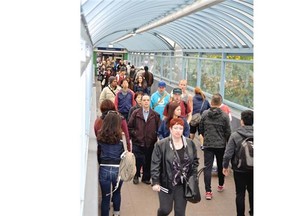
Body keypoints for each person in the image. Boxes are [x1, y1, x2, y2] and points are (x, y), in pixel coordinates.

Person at [151, 118, 199, 216]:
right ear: (170, 129)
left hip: (183, 184)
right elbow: (155, 164)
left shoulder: (190, 144)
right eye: (175, 128)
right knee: (165, 209)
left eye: (180, 128)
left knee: (180, 212)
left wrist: (193, 177)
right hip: (166, 184)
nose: (178, 131)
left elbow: (194, 161)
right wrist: (155, 182)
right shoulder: (161, 145)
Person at [198, 93, 231, 200]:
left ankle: (208, 191)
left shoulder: (205, 114)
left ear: (211, 102)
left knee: (207, 167)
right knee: (221, 165)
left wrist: (206, 137)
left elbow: (201, 129)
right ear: (220, 103)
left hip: (208, 144)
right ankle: (220, 184)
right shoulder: (225, 116)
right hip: (221, 145)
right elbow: (228, 132)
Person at [222, 110, 253, 216]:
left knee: (240, 193)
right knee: (253, 192)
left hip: (239, 169)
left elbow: (228, 154)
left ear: (242, 121)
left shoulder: (235, 135)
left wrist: (225, 166)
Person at [96, 111, 127, 216]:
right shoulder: (121, 136)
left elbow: (99, 153)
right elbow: (124, 153)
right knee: (117, 193)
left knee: (105, 197)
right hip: (118, 168)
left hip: (104, 168)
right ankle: (116, 213)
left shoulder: (100, 135)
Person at [128, 94, 161, 185]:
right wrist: (135, 135)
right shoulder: (136, 113)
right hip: (138, 142)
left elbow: (159, 129)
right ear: (141, 102)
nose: (146, 102)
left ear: (150, 102)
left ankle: (146, 177)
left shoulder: (155, 115)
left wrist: (156, 137)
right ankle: (136, 175)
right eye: (144, 100)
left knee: (148, 160)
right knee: (137, 160)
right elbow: (130, 127)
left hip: (150, 142)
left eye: (148, 100)